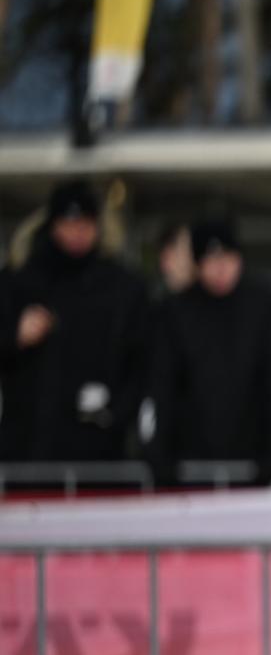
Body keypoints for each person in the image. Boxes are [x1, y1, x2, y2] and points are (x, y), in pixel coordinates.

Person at [0, 180, 149, 483]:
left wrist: (114, 411)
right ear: (53, 225)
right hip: (30, 448)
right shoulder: (18, 281)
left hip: (99, 451)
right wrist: (15, 336)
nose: (77, 232)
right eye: (69, 223)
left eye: (85, 224)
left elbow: (142, 362)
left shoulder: (123, 287)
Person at [143, 219, 271, 488]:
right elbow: (160, 386)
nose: (221, 268)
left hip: (253, 468)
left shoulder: (264, 307)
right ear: (198, 265)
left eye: (228, 258)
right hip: (188, 469)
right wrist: (161, 460)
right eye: (211, 260)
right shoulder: (175, 312)